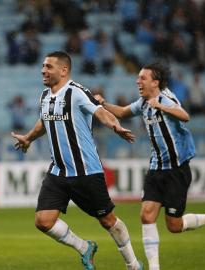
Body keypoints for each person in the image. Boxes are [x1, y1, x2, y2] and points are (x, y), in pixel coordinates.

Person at [11, 51, 143, 270]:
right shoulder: (45, 96)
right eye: (43, 66)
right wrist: (28, 138)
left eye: (49, 67)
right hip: (59, 172)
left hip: (86, 172)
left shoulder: (78, 92)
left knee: (108, 221)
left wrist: (115, 126)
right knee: (43, 221)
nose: (43, 70)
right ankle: (84, 247)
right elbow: (44, 122)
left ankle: (132, 264)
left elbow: (100, 112)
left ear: (63, 70)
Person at [94, 62, 205, 270]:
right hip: (156, 168)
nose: (138, 81)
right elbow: (121, 112)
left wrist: (162, 107)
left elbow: (185, 115)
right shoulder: (143, 102)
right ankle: (154, 267)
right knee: (146, 215)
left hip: (176, 170)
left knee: (174, 225)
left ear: (155, 82)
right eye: (138, 78)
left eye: (142, 78)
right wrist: (103, 103)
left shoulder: (166, 98)